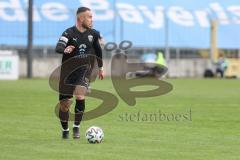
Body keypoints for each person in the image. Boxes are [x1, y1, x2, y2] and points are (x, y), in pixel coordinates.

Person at [55, 7, 104, 139]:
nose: (91, 19)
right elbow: (58, 47)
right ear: (81, 18)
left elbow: (98, 50)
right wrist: (64, 49)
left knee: (80, 96)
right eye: (89, 17)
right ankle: (65, 130)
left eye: (92, 17)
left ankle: (76, 128)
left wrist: (101, 68)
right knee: (65, 104)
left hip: (83, 71)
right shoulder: (68, 33)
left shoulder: (92, 34)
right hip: (67, 73)